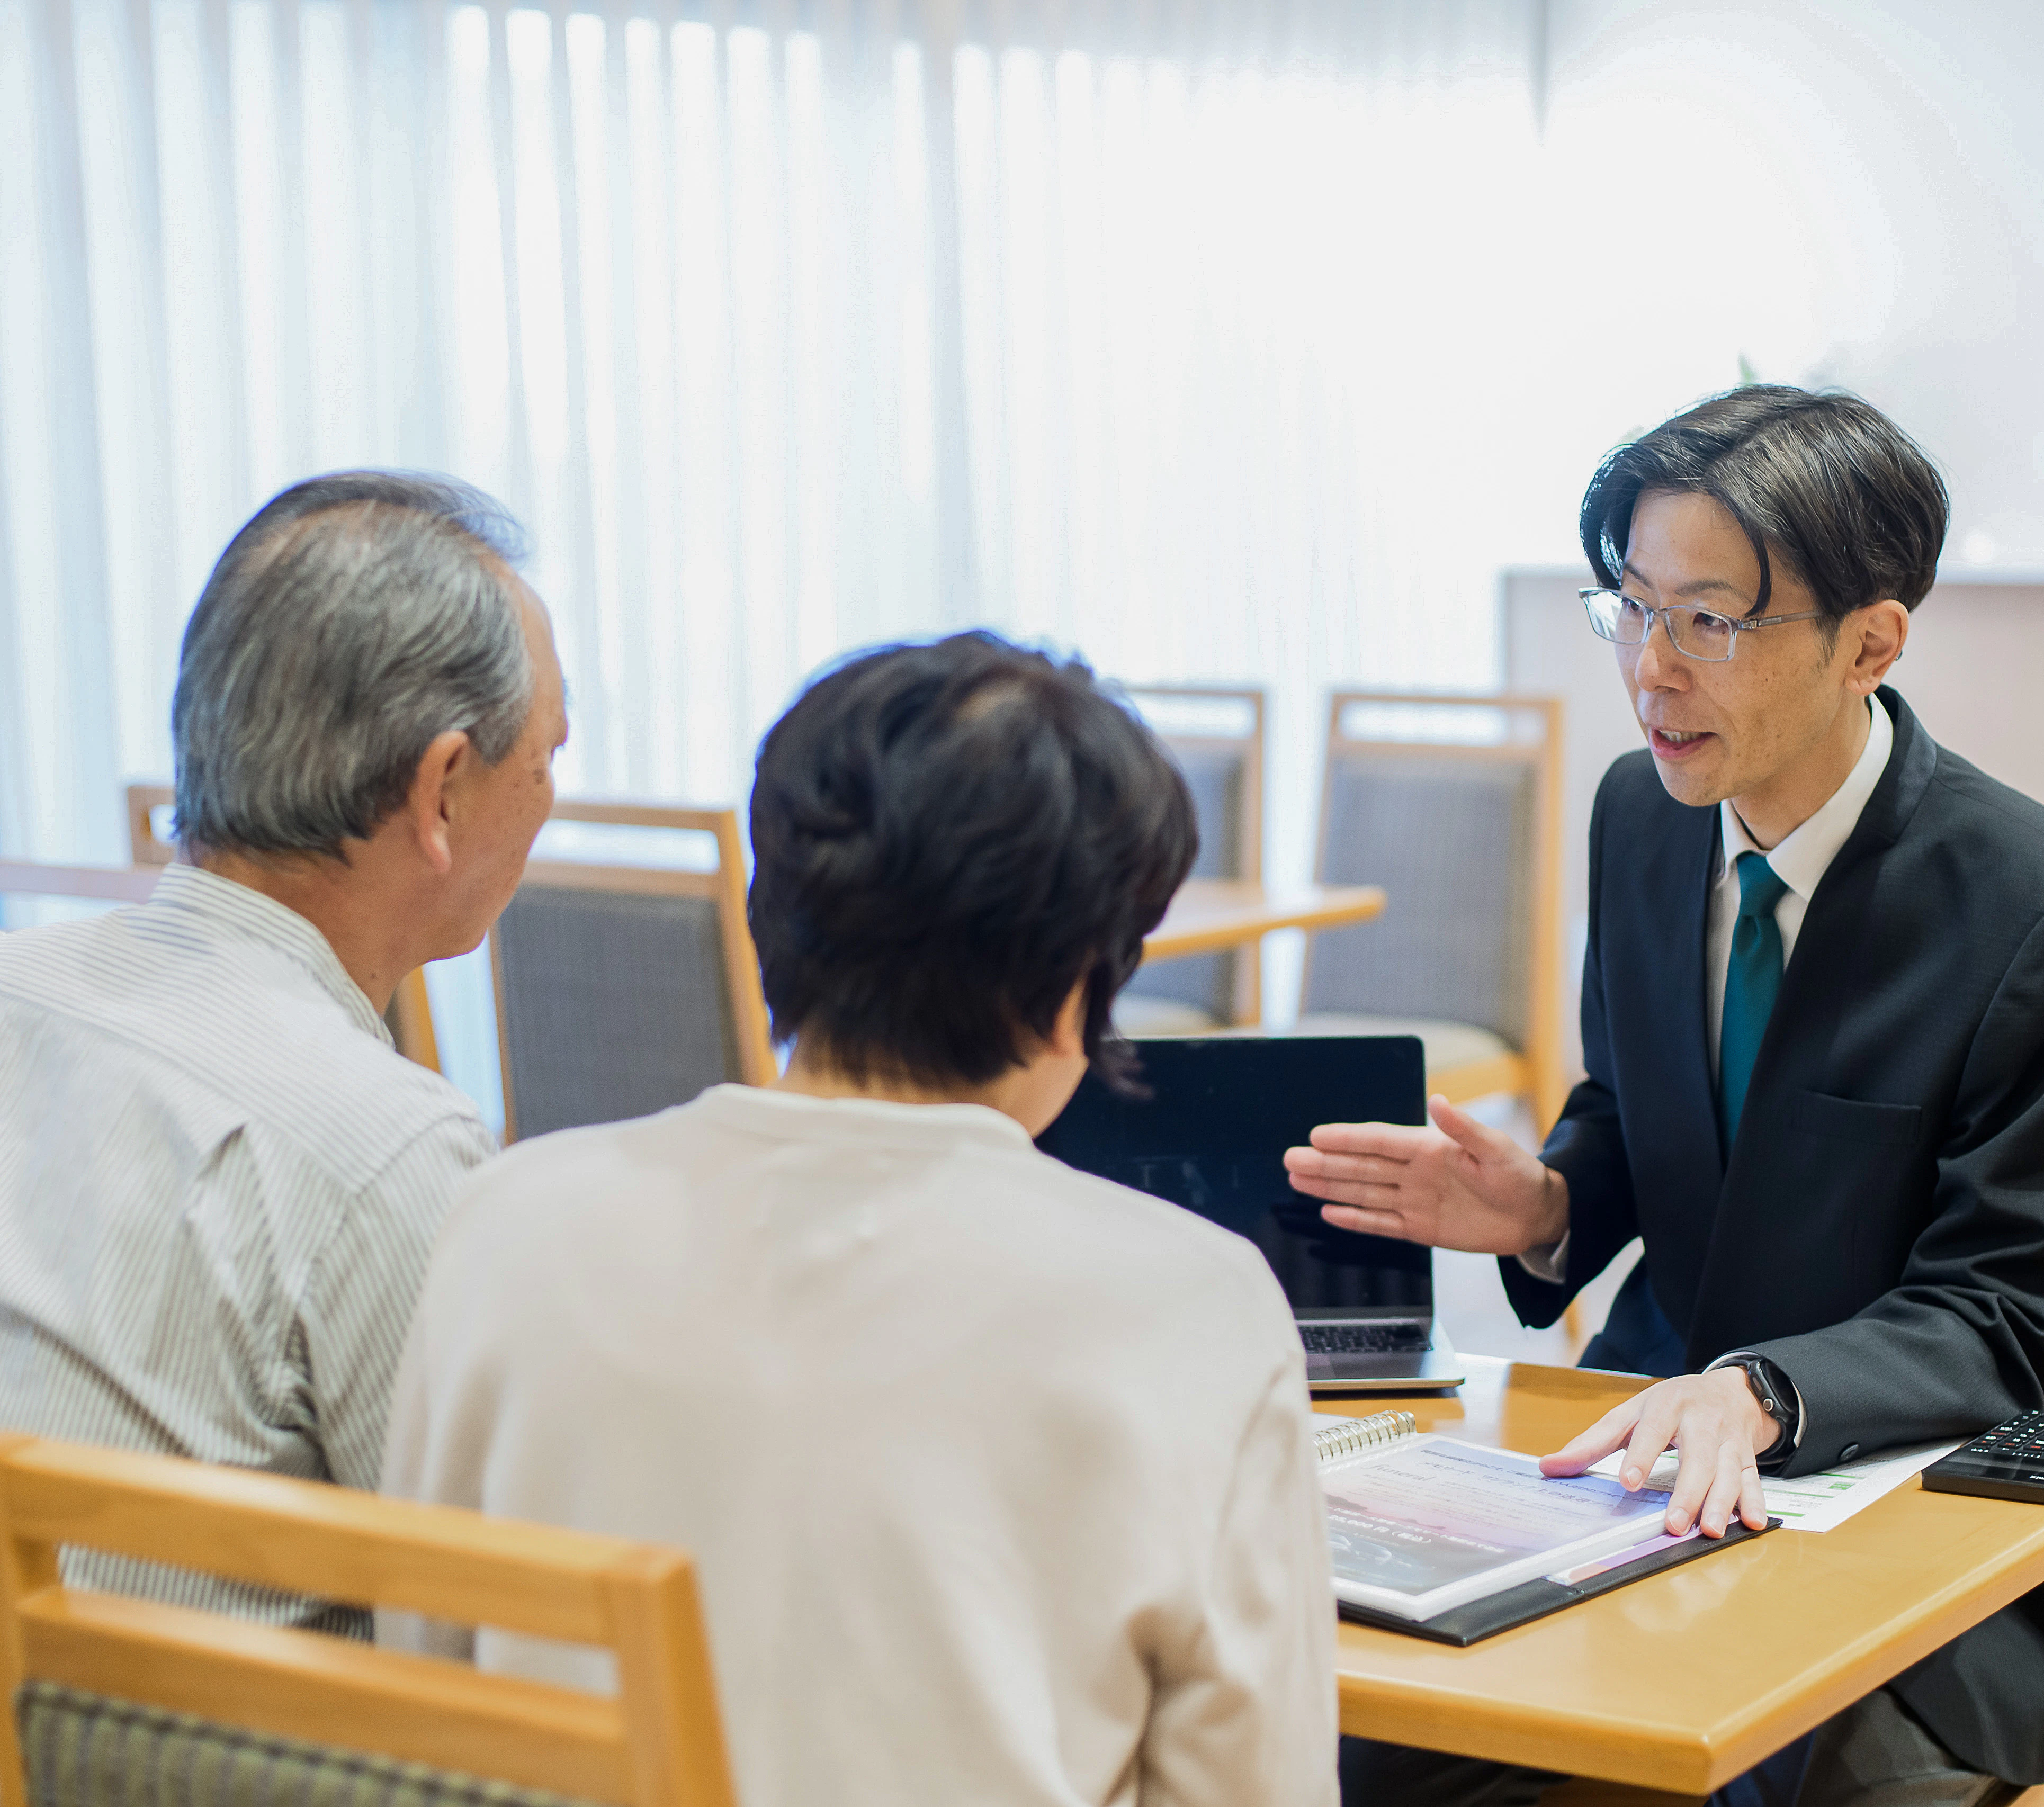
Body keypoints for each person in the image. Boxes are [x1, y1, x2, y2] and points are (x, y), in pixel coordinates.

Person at [1289, 388, 2044, 1806]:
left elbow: (2002, 1313)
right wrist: (1550, 1203)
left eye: (1713, 620)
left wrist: (1765, 1390)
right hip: (1619, 1469)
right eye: (1631, 608)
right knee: (1343, 1734)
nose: (1652, 670)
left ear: (1869, 640)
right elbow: (1632, 1110)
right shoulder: (1644, 814)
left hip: (1894, 1527)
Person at [382, 634, 1340, 1807]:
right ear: (1073, 982)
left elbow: (423, 1703)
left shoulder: (506, 1220)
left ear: (769, 913)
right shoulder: (1191, 1299)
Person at [0, 472, 567, 1632]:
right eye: (547, 755)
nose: (553, 797)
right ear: (441, 788)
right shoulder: (383, 1149)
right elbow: (486, 1641)